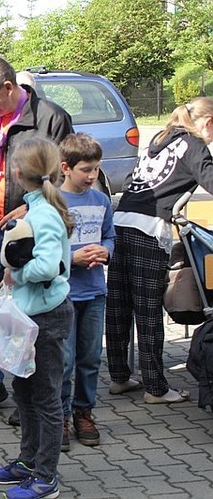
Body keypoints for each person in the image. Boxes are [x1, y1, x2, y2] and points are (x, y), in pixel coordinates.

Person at [0, 56, 73, 420]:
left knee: (29, 317)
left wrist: (29, 210)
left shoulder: (50, 117)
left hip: (26, 232)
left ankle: (29, 396)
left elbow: (59, 176)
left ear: (8, 87)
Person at [106, 97, 213, 404]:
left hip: (121, 221)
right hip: (149, 229)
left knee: (119, 305)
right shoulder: (194, 144)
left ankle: (119, 377)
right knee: (148, 309)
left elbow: (131, 179)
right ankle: (156, 388)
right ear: (208, 123)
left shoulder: (161, 137)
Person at [0, 136, 74, 499]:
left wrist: (15, 271)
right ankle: (27, 462)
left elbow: (49, 266)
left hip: (47, 318)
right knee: (23, 391)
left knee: (46, 398)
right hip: (29, 317)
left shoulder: (44, 215)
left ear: (18, 173)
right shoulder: (32, 209)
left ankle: (46, 476)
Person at [58, 133, 115, 452]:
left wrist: (106, 251)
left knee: (91, 358)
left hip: (95, 292)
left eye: (96, 169)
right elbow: (44, 247)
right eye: (86, 170)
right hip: (64, 294)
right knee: (64, 361)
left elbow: (110, 236)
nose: (92, 176)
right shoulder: (54, 200)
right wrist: (72, 257)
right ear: (66, 167)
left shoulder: (101, 200)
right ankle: (61, 416)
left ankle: (84, 412)